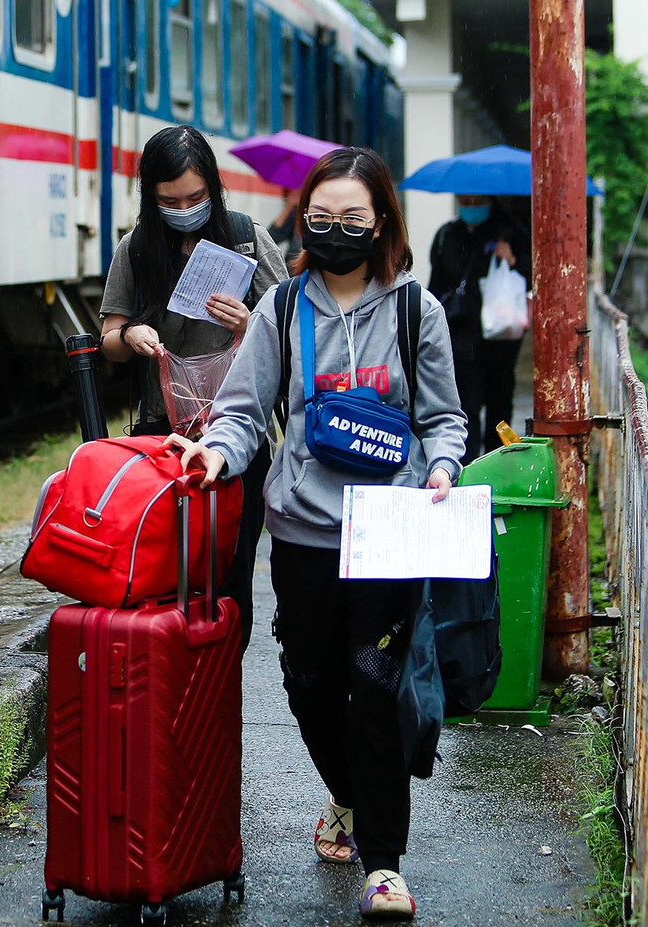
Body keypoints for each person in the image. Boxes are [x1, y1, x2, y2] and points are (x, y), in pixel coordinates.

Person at [163, 147, 467, 920]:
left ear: (383, 223)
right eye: (322, 219)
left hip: (387, 530)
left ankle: (384, 863)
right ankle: (348, 793)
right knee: (306, 683)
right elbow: (240, 408)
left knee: (372, 686)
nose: (336, 232)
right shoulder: (282, 308)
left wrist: (440, 468)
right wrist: (216, 453)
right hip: (301, 533)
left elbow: (442, 417)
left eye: (353, 219)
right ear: (304, 220)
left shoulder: (415, 311)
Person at [99, 125, 287, 649]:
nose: (185, 208)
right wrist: (130, 333)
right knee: (167, 576)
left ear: (215, 188)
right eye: (170, 201)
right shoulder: (136, 248)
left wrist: (251, 323)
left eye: (197, 198)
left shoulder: (247, 236)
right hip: (163, 442)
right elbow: (108, 338)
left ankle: (221, 694)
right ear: (150, 197)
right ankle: (173, 691)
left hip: (239, 437)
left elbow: (293, 329)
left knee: (230, 578)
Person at [427, 195, 532, 462]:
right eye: (465, 200)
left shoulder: (510, 232)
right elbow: (436, 285)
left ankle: (498, 464)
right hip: (461, 335)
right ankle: (467, 467)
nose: (471, 206)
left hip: (501, 340)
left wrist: (511, 259)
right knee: (465, 408)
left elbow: (532, 276)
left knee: (500, 407)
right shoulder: (447, 235)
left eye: (477, 200)